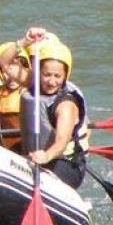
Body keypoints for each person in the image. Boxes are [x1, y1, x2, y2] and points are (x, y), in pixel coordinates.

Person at [19, 37, 89, 189]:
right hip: (36, 157)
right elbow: (5, 64)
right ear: (38, 72)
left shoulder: (66, 104)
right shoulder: (33, 84)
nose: (51, 82)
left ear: (65, 76)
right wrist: (24, 41)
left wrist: (46, 156)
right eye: (47, 75)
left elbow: (62, 141)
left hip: (65, 163)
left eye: (57, 76)